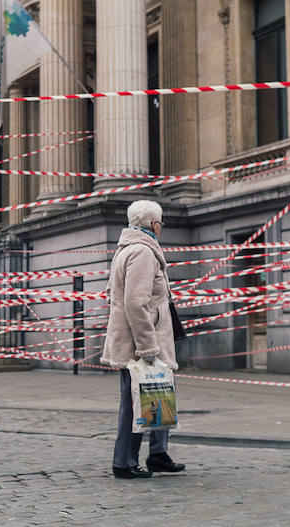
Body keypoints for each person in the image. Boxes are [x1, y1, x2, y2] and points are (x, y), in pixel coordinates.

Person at [101, 200, 186, 479]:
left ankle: (158, 454)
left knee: (159, 394)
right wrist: (147, 347)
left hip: (149, 337)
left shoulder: (133, 249)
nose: (161, 227)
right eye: (160, 222)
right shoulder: (141, 252)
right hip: (142, 341)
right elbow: (136, 303)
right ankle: (124, 462)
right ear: (154, 224)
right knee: (135, 402)